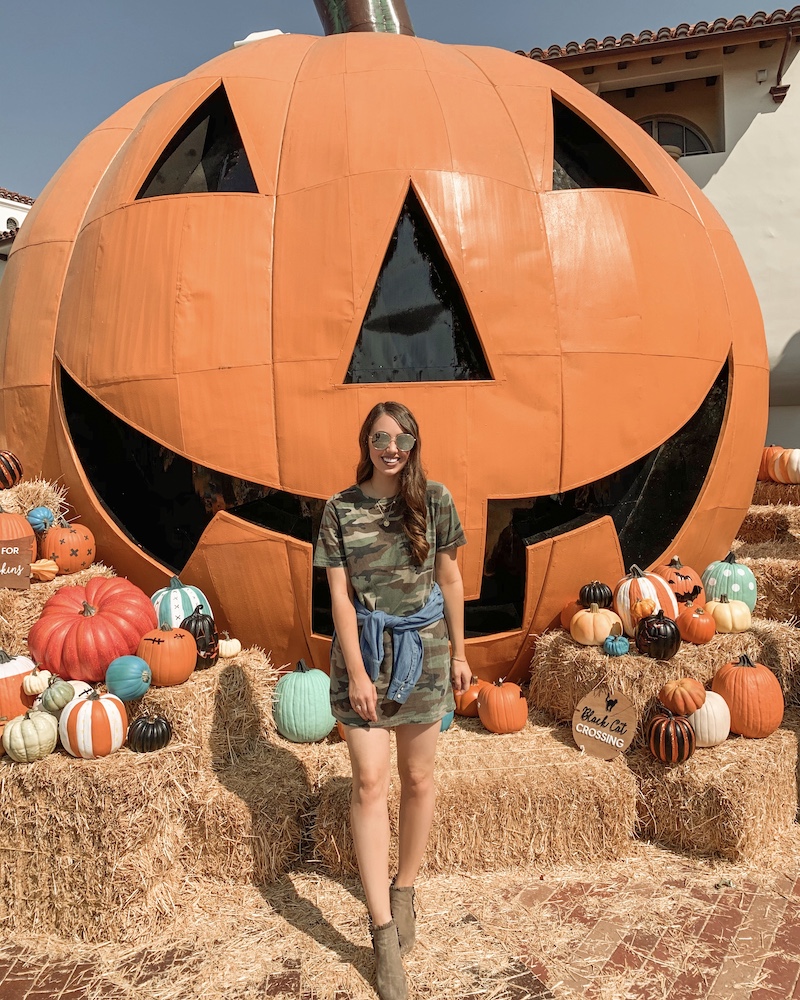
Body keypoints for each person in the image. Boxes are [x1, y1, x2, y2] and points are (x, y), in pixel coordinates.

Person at [313, 400, 471, 1000]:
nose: (391, 446)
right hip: (367, 656)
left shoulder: (435, 501)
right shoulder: (339, 511)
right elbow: (341, 600)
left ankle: (404, 887)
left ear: (413, 442)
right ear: (366, 443)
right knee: (368, 781)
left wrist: (459, 652)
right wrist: (356, 671)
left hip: (426, 653)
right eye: (380, 436)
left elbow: (450, 579)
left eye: (401, 436)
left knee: (419, 778)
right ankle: (381, 935)